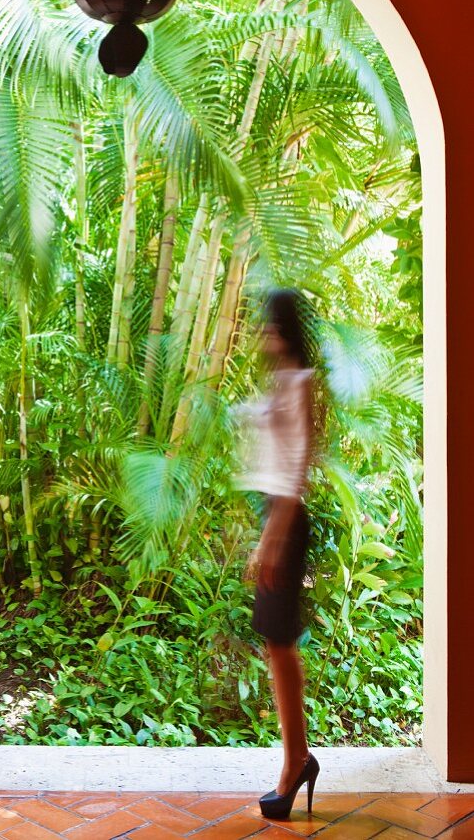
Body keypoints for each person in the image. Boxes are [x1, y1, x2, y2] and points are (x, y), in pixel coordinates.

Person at [237, 289, 320, 820]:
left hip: (286, 523)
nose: (260, 335)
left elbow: (296, 471)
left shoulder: (298, 383)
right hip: (276, 520)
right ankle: (297, 760)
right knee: (276, 645)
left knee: (280, 645)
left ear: (284, 329)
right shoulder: (280, 382)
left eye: (268, 326)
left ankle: (296, 765)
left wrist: (271, 540)